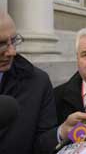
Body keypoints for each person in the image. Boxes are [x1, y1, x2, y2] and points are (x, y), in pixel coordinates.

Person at [0, 10, 57, 153]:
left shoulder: (38, 83)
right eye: (1, 44)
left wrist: (60, 133)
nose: (11, 52)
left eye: (13, 40)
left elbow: (42, 143)